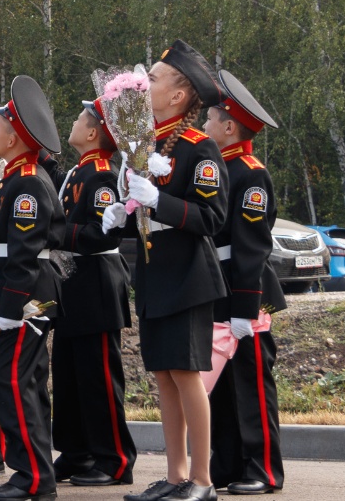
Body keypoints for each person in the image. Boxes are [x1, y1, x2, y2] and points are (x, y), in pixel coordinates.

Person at [100, 41, 229, 501]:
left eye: (153, 79)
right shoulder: (145, 144)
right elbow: (146, 215)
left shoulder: (199, 147)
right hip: (155, 274)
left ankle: (202, 479)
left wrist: (160, 202)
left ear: (179, 95)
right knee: (164, 377)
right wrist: (123, 215)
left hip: (189, 276)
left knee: (187, 374)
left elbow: (211, 218)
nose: (143, 84)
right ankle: (175, 475)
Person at [0, 75, 65, 501]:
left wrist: (10, 308)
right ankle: (34, 472)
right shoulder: (16, 176)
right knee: (23, 382)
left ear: (12, 138)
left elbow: (24, 253)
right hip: (15, 292)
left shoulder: (27, 181)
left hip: (25, 295)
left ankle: (32, 477)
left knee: (13, 381)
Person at [206, 69, 285, 496]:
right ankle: (229, 463)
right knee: (221, 386)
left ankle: (263, 469)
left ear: (229, 126)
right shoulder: (219, 167)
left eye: (210, 120)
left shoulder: (250, 173)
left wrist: (243, 308)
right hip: (218, 286)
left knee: (252, 386)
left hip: (246, 291)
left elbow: (251, 248)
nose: (204, 127)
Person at [50, 98, 136, 487]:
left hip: (96, 279)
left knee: (98, 376)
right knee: (69, 373)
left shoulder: (102, 176)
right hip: (73, 281)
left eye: (79, 118)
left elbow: (103, 235)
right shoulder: (80, 171)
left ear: (92, 133)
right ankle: (77, 452)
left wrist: (54, 233)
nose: (73, 121)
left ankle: (114, 458)